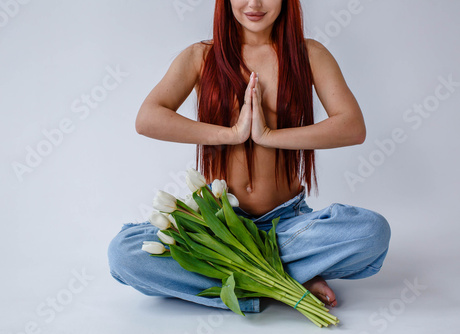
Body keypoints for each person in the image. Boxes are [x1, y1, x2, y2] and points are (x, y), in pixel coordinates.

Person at [107, 0, 391, 313]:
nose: (254, 3)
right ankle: (284, 278)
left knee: (372, 231)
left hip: (287, 224)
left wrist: (268, 136)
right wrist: (231, 134)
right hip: (217, 227)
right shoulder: (200, 56)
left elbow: (351, 126)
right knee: (124, 254)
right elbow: (147, 118)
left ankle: (246, 278)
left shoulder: (309, 54)